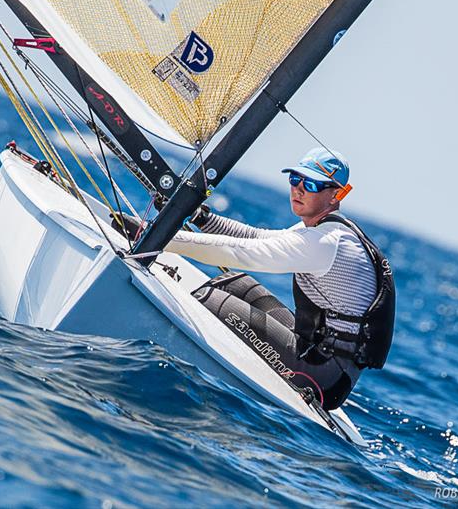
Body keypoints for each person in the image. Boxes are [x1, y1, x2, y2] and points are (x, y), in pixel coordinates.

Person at [128, 147, 396, 410]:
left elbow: (240, 252)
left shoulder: (325, 242)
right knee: (235, 283)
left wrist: (159, 238)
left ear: (336, 194)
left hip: (324, 377)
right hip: (316, 351)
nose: (298, 189)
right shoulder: (323, 228)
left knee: (214, 302)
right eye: (295, 179)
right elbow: (256, 237)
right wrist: (200, 218)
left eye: (311, 184)